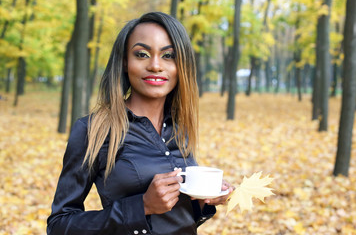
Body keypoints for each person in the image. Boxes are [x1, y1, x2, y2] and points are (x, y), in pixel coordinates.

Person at [47, 12, 233, 235]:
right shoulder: (93, 130)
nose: (155, 66)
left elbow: (176, 221)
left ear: (181, 65)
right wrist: (141, 207)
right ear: (125, 62)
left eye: (168, 55)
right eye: (142, 54)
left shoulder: (179, 129)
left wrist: (204, 202)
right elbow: (59, 225)